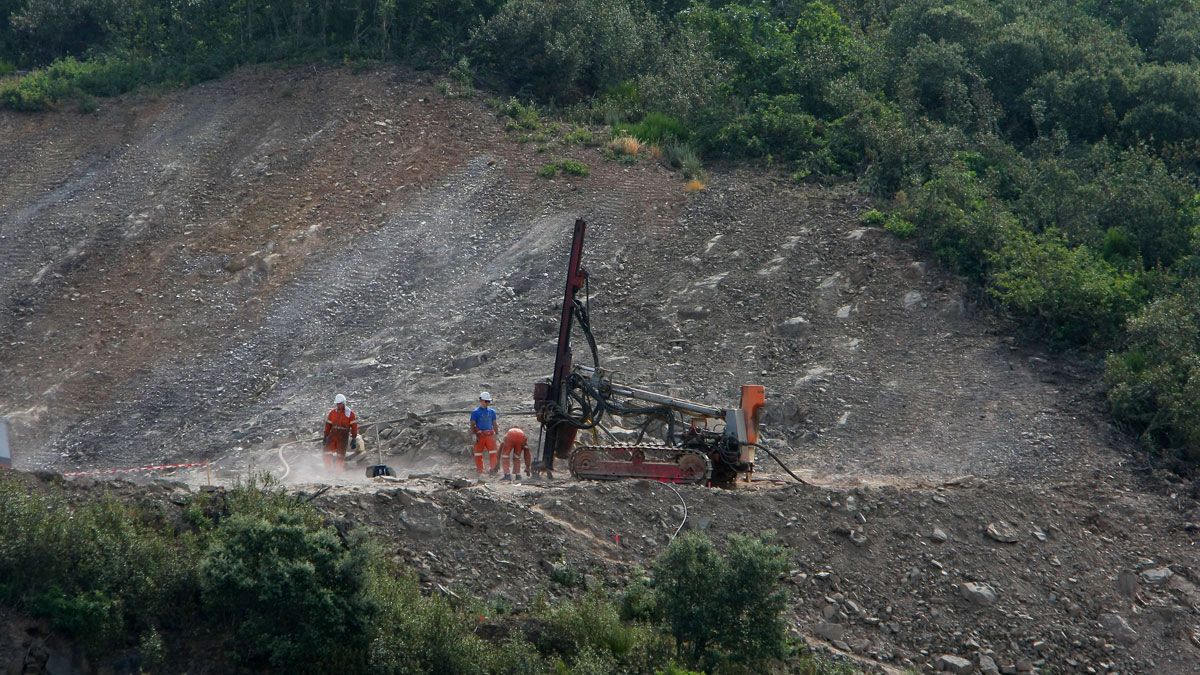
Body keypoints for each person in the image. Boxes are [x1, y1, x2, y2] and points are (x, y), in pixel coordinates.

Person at [323, 393, 359, 471]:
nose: (338, 406)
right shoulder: (332, 413)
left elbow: (354, 427)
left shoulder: (350, 414)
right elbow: (328, 425)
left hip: (343, 437)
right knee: (326, 452)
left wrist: (353, 438)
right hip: (333, 436)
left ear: (344, 403)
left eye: (339, 404)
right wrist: (325, 436)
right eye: (337, 404)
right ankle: (328, 471)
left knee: (340, 456)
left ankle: (338, 473)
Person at [469, 392, 499, 475]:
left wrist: (497, 434)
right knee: (478, 453)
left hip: (490, 435)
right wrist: (473, 434)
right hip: (480, 436)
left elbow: (494, 423)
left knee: (493, 452)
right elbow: (472, 424)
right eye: (486, 401)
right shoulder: (475, 412)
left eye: (488, 401)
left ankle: (493, 469)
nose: (487, 403)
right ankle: (480, 470)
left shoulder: (492, 412)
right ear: (481, 400)